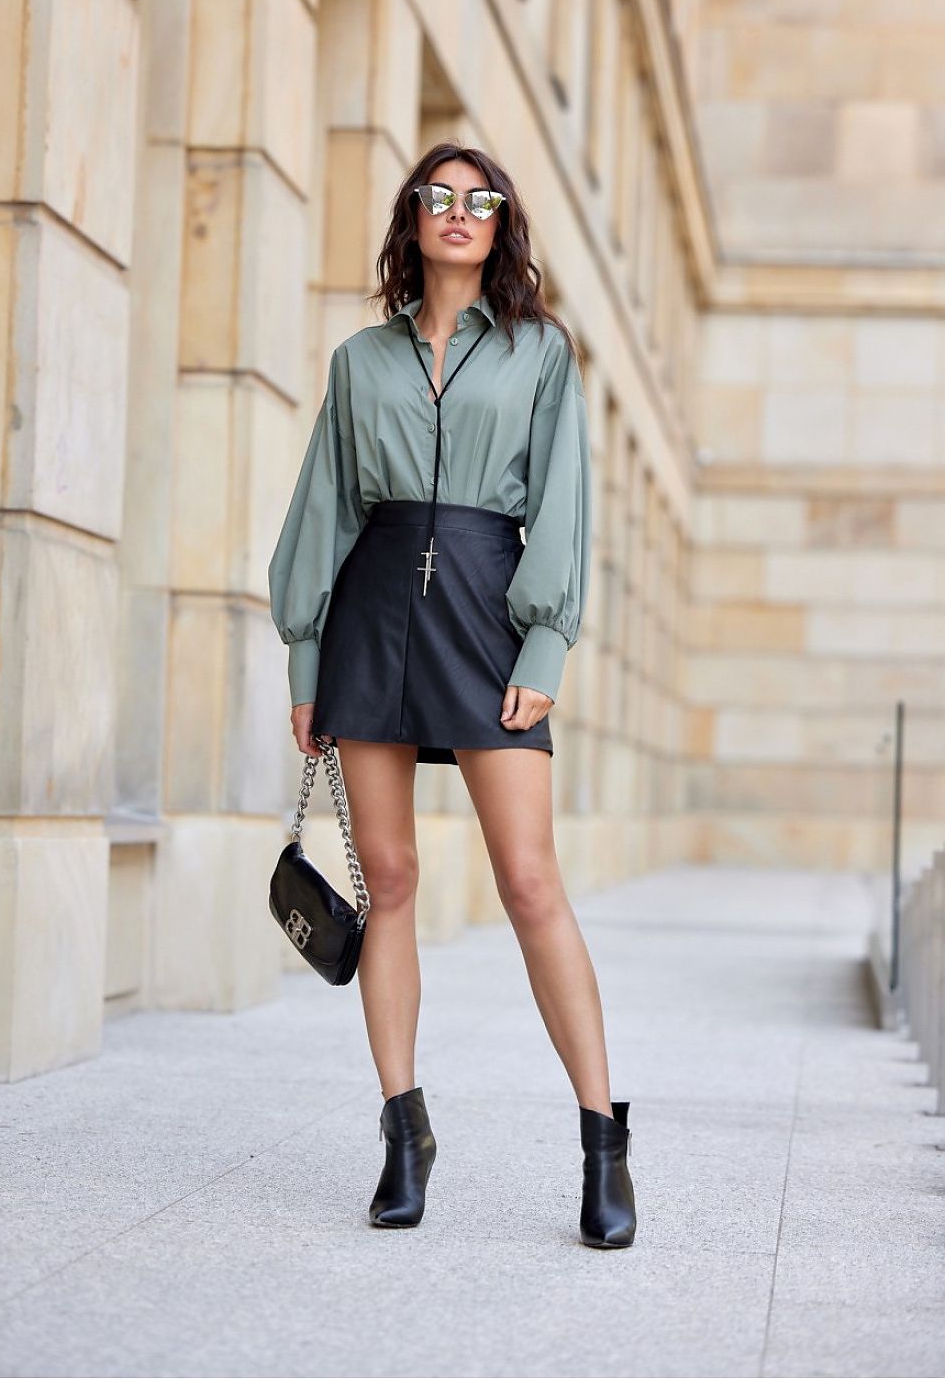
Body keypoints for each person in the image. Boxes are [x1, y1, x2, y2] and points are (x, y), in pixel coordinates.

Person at [267, 142, 636, 1249]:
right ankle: (402, 1132)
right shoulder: (358, 361)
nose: (460, 214)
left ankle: (602, 1139)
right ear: (413, 219)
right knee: (387, 876)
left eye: (482, 201)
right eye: (441, 197)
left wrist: (544, 650)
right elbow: (322, 512)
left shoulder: (539, 353)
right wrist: (305, 662)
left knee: (529, 882)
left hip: (488, 610)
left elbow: (563, 506)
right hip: (372, 609)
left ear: (501, 224)